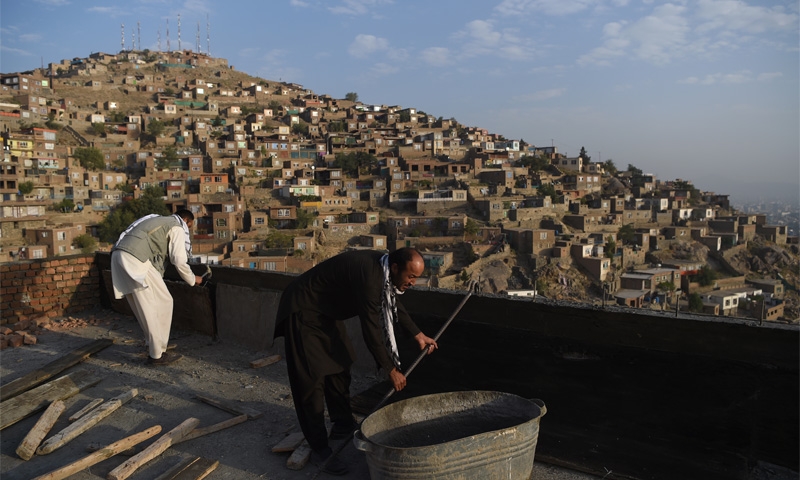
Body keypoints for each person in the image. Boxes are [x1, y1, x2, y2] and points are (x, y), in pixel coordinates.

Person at [273, 248, 438, 475]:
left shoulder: (384, 269)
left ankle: (342, 424)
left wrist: (418, 335)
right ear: (396, 268)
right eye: (410, 276)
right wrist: (390, 370)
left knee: (341, 363)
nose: (413, 282)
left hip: (324, 313)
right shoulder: (370, 277)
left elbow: (391, 300)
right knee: (311, 380)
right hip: (303, 308)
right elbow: (371, 330)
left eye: (416, 277)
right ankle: (320, 448)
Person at [111, 209, 203, 366]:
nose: (189, 229)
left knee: (147, 304)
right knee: (156, 305)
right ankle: (156, 356)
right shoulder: (177, 226)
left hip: (119, 255)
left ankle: (156, 344)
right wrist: (193, 279)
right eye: (190, 226)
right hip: (136, 259)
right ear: (186, 221)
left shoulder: (158, 220)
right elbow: (179, 260)